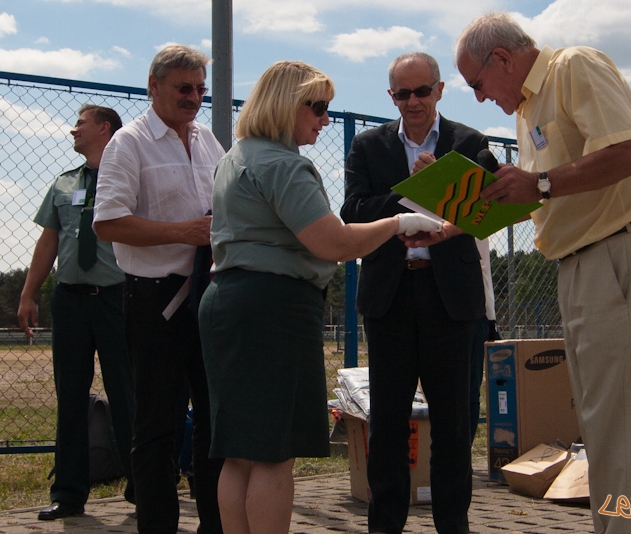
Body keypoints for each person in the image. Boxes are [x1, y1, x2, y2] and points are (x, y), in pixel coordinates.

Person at [197, 60, 442, 534]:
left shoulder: (236, 156)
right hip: (274, 309)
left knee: (240, 453)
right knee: (274, 455)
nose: (325, 119)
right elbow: (334, 243)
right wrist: (399, 222)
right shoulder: (284, 165)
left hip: (229, 302)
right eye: (317, 107)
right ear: (286, 104)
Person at [449, 13, 631, 534]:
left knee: (617, 419)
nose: (479, 98)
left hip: (613, 251)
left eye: (476, 83)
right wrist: (451, 221)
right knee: (601, 419)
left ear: (502, 58)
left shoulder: (573, 67)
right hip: (578, 261)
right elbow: (538, 196)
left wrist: (541, 184)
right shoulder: (529, 108)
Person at [340, 52, 487, 534]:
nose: (413, 101)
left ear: (440, 90)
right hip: (391, 295)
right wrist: (413, 191)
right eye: (403, 94)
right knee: (387, 423)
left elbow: (483, 211)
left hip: (450, 298)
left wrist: (444, 184)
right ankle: (385, 525)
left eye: (422, 91)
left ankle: (453, 524)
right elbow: (353, 212)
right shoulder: (368, 145)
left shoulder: (469, 143)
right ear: (391, 97)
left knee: (454, 423)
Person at [92, 45, 224, 533]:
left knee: (214, 420)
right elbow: (107, 223)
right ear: (153, 86)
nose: (194, 97)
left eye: (200, 89)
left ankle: (216, 524)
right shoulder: (128, 144)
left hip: (207, 296)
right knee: (155, 427)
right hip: (154, 300)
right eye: (184, 88)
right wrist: (183, 232)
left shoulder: (209, 141)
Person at [17, 104, 135, 521]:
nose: (73, 130)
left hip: (118, 299)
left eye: (80, 123)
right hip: (69, 301)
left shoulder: (130, 178)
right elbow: (49, 241)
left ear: (104, 129)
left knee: (128, 394)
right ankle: (68, 494)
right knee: (70, 398)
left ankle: (143, 487)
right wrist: (29, 294)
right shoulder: (64, 182)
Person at [470, 238, 500, 443]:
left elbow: (482, 268)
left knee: (468, 391)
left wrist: (490, 317)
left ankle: (461, 455)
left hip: (472, 309)